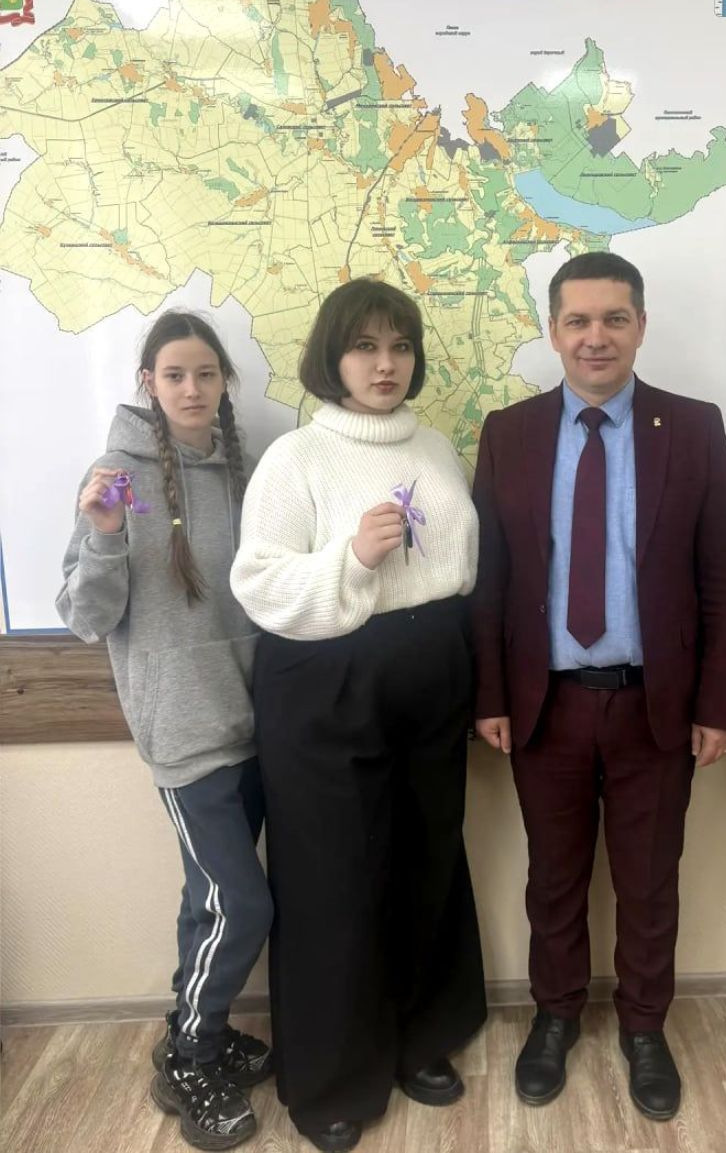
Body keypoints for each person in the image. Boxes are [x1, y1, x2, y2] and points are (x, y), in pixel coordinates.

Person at [472, 251, 726, 1120]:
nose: (596, 337)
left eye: (614, 318)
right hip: (545, 704)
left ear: (640, 326)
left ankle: (643, 1026)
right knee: (553, 877)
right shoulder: (508, 432)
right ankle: (555, 1015)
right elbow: (490, 579)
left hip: (653, 705)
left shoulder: (693, 427)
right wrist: (490, 695)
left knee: (649, 880)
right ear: (553, 330)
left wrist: (719, 706)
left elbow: (723, 578)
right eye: (579, 320)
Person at [230, 278, 486, 1153]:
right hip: (326, 678)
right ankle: (333, 1077)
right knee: (332, 877)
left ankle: (421, 1037)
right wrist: (351, 557)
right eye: (365, 346)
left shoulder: (437, 446)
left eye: (400, 346)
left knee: (426, 855)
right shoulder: (296, 457)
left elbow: (458, 566)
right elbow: (260, 582)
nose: (386, 364)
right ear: (331, 357)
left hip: (431, 668)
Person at [56, 312, 273, 1151]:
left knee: (206, 899)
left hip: (256, 721)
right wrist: (105, 532)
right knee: (242, 903)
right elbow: (86, 616)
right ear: (148, 381)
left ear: (224, 381)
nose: (191, 388)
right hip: (184, 731)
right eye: (174, 374)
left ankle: (194, 1029)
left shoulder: (248, 467)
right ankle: (191, 1058)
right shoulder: (116, 475)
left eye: (205, 373)